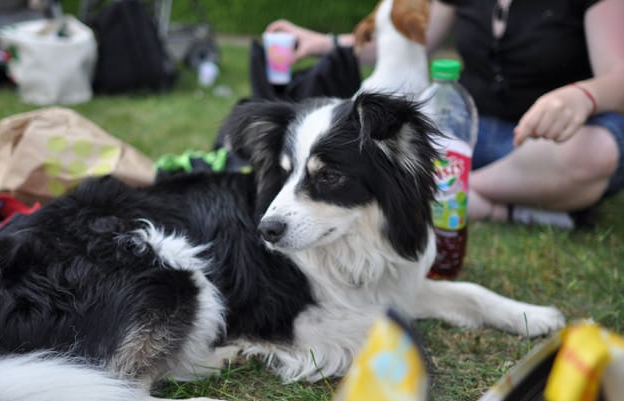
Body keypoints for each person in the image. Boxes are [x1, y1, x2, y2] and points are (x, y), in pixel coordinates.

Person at [265, 0, 624, 229]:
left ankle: (441, 195)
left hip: (559, 141)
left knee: (597, 153)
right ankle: (496, 205)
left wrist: (583, 96)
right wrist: (324, 43)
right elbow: (405, 41)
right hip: (470, 130)